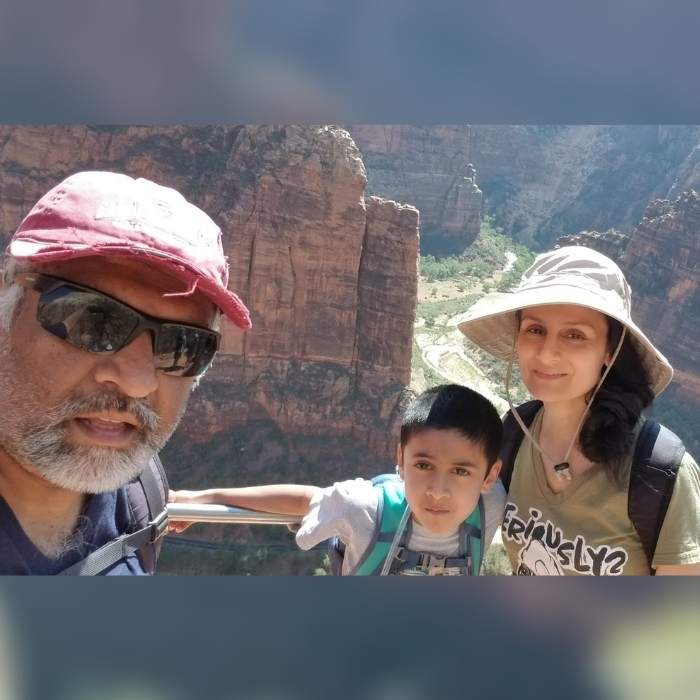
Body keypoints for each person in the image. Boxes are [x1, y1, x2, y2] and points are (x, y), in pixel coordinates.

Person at [0, 171, 251, 575]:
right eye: (93, 322)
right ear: (7, 305)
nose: (138, 381)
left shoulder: (140, 495)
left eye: (182, 346)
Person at [457, 245, 700, 575]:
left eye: (575, 335)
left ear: (609, 351)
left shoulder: (660, 472)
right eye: (535, 329)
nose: (546, 353)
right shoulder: (513, 434)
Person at [170, 384, 506, 575]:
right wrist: (198, 501)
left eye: (461, 471)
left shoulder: (491, 505)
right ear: (400, 461)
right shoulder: (366, 509)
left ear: (489, 476)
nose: (438, 490)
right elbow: (305, 499)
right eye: (423, 466)